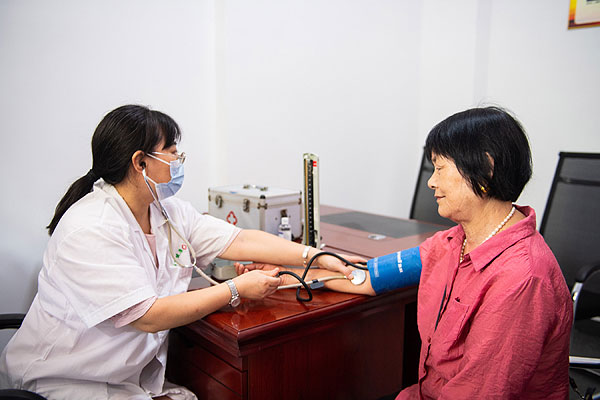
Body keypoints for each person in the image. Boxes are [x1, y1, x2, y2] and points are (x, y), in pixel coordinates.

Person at [0, 104, 359, 400]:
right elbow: (147, 316)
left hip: (122, 375)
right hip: (67, 380)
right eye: (173, 153)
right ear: (140, 162)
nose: (179, 161)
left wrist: (314, 256)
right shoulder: (91, 227)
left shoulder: (165, 211)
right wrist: (235, 289)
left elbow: (239, 240)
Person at [239, 106, 573, 399]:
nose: (431, 182)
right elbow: (367, 277)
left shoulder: (521, 279)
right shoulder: (452, 243)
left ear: (485, 168)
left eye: (440, 168)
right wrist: (285, 275)